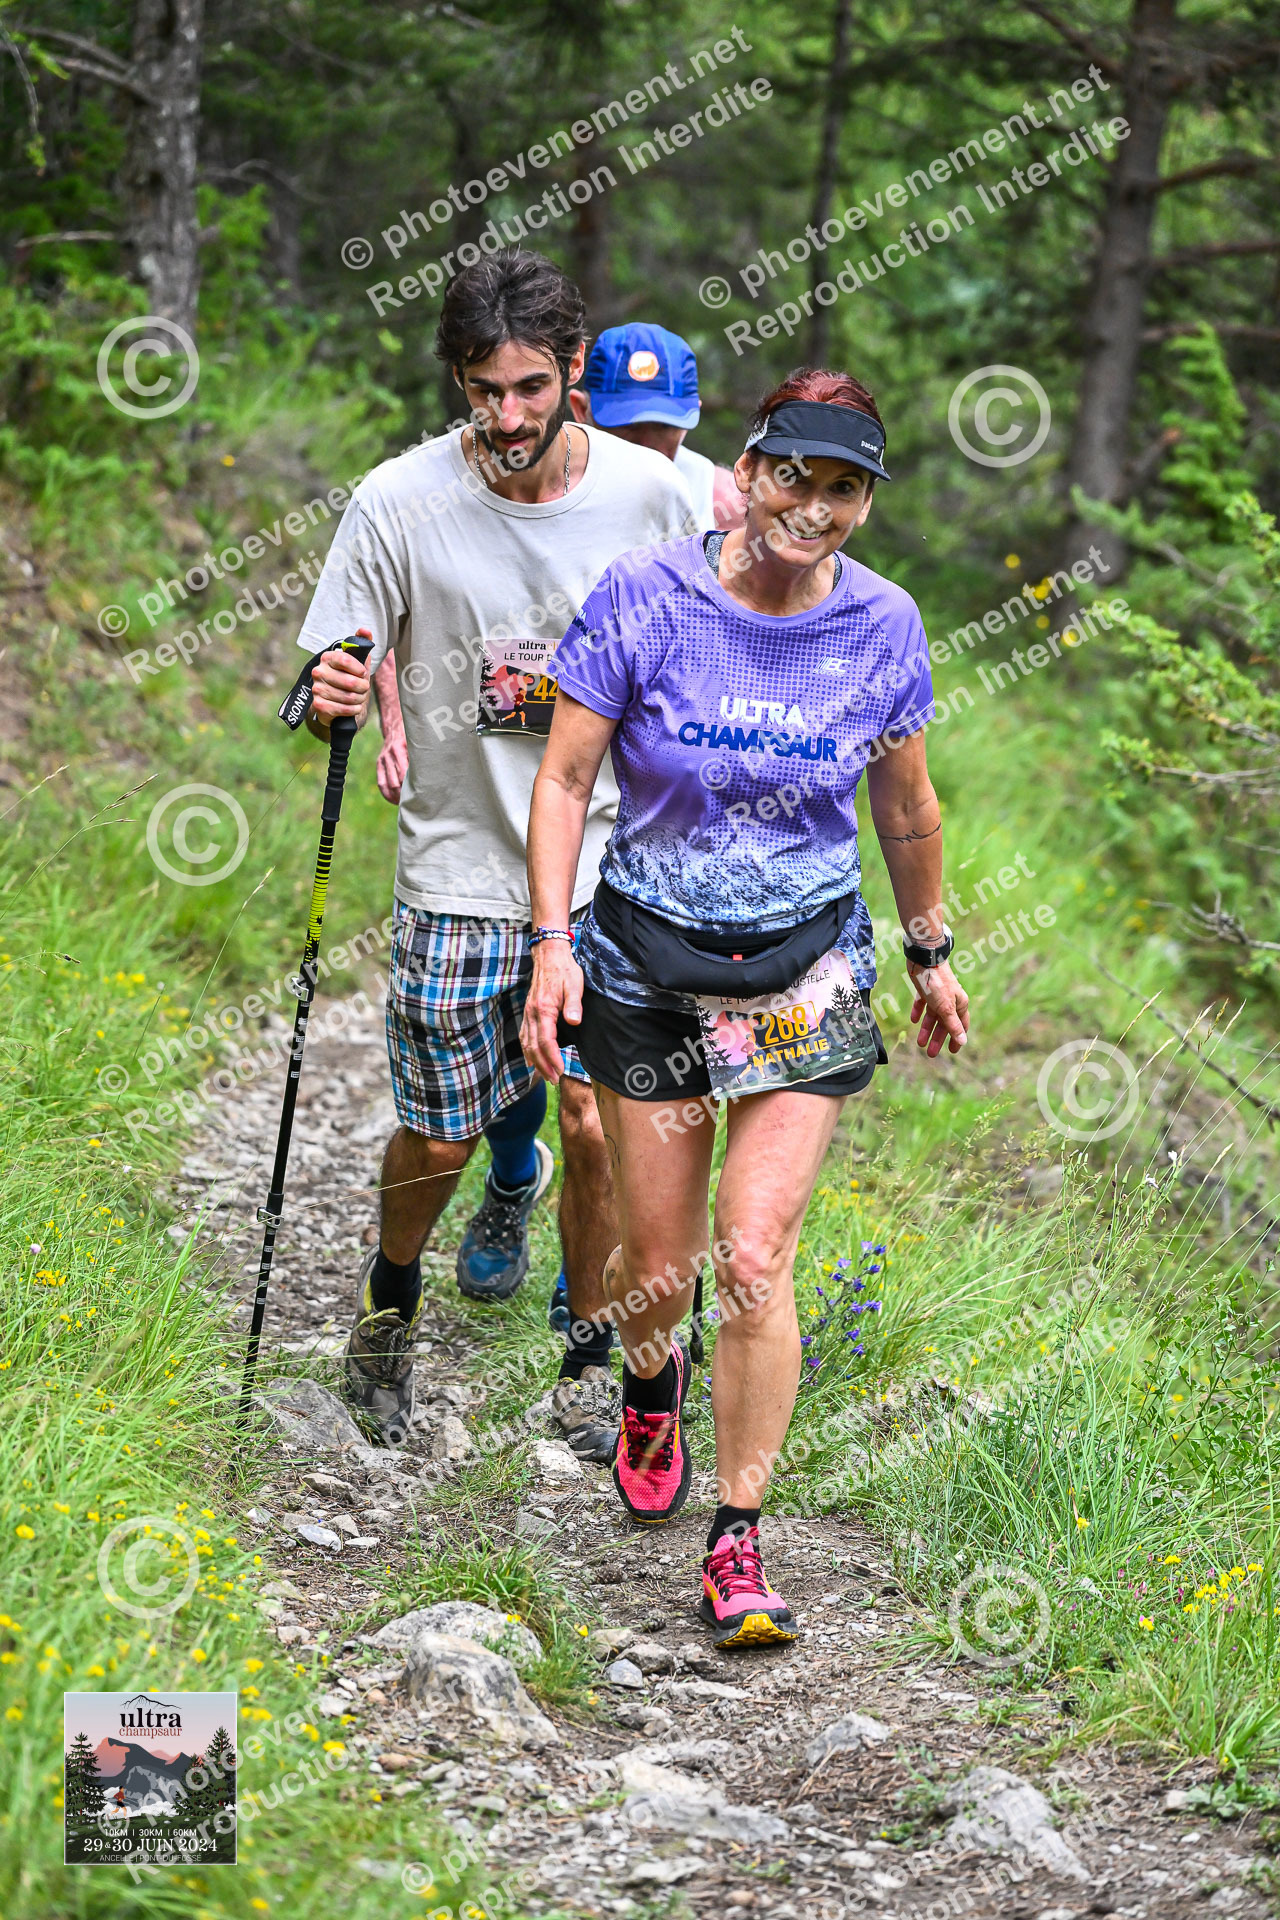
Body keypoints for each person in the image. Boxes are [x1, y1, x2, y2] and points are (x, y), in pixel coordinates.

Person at [520, 367, 969, 1646]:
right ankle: (648, 1378)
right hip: (646, 968)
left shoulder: (882, 623)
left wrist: (928, 951)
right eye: (791, 477)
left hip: (803, 975)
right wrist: (551, 944)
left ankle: (737, 1539)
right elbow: (563, 782)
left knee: (754, 1259)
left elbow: (904, 805)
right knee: (657, 1273)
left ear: (865, 502)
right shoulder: (645, 595)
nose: (811, 508)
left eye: (842, 490)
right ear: (747, 471)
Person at [300, 247, 694, 1454]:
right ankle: (388, 1307)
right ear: (456, 381)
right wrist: (329, 693)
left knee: (595, 1121)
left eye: (529, 387)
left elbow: (715, 646)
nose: (508, 416)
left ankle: (586, 1358)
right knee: (440, 1133)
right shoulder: (397, 500)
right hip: (463, 864)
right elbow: (332, 665)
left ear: (574, 370)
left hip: (615, 867)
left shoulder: (652, 498)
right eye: (483, 390)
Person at [569, 321, 744, 534]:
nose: (647, 445)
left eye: (664, 426)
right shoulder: (550, 494)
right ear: (582, 411)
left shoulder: (720, 501)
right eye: (629, 425)